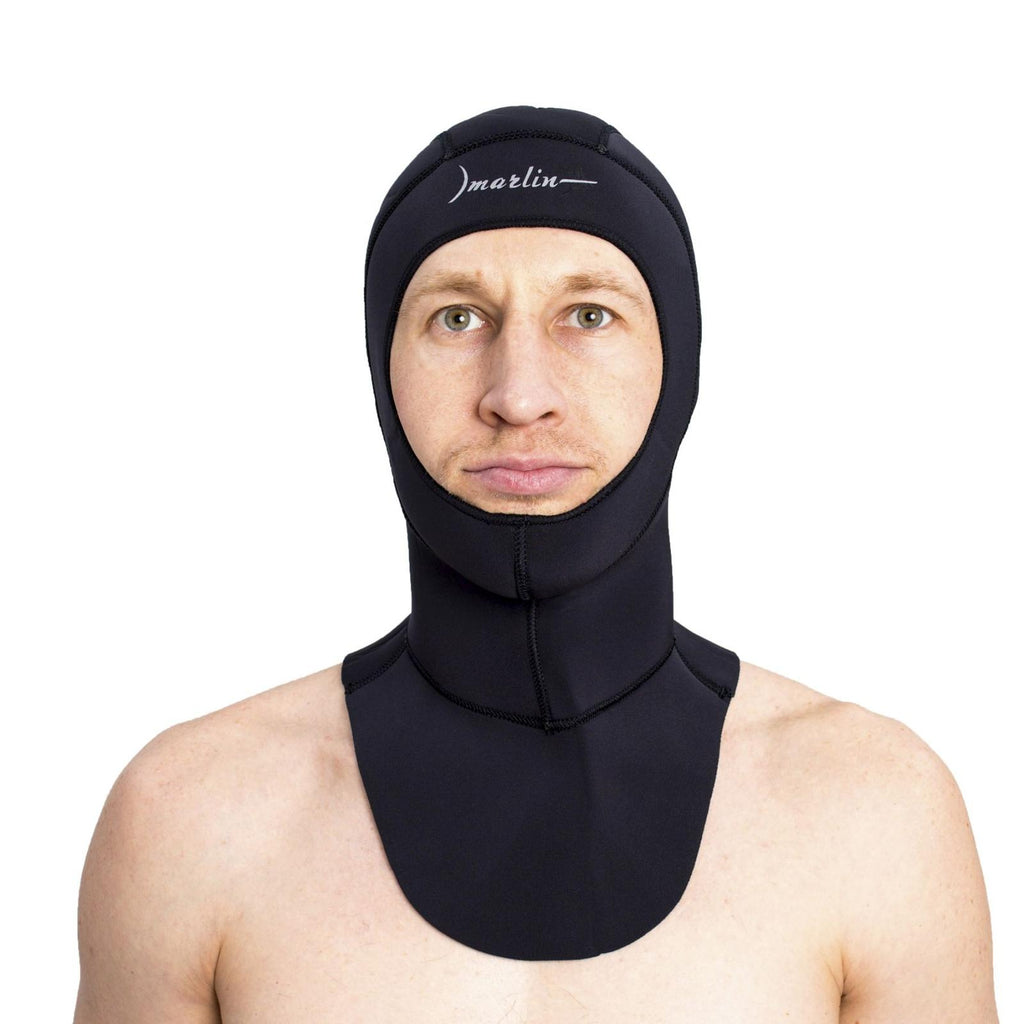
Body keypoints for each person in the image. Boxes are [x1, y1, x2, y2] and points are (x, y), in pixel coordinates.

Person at [73, 106, 999, 1022]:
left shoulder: (875, 815)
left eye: (589, 315)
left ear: (677, 362)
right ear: (382, 368)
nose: (518, 395)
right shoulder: (190, 820)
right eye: (458, 317)